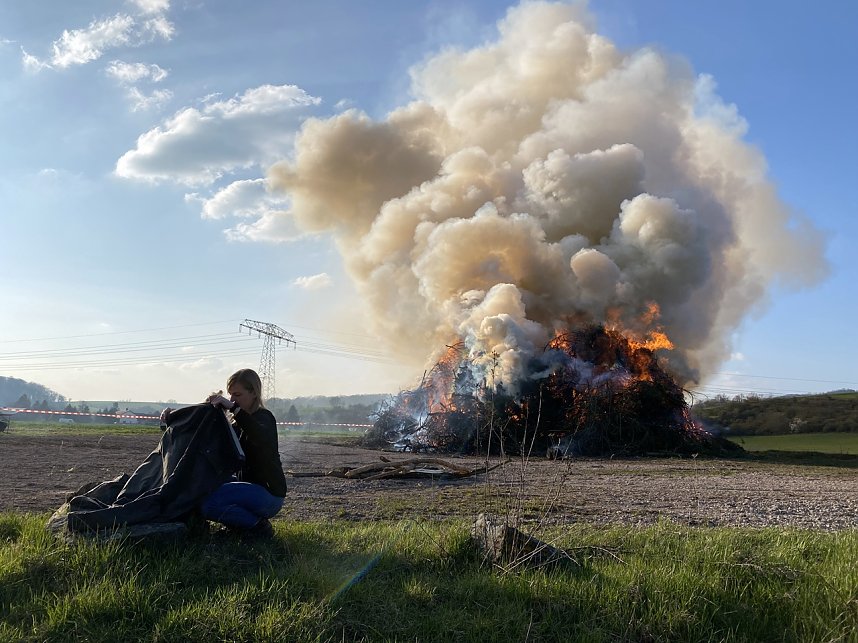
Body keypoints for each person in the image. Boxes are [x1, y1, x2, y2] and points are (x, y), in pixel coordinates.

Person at [164, 368, 287, 538]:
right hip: (248, 488)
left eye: (237, 395)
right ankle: (240, 525)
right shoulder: (236, 426)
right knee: (201, 490)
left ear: (253, 393)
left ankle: (258, 527)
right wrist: (175, 417)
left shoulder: (265, 418)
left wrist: (234, 409)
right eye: (230, 395)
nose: (232, 400)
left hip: (269, 494)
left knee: (208, 504)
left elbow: (259, 435)